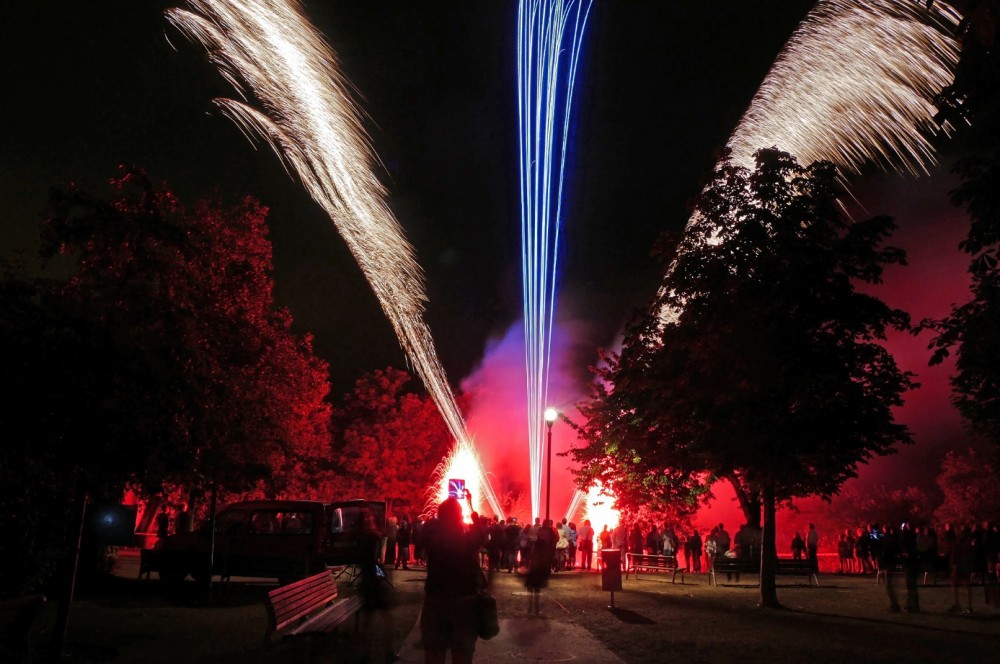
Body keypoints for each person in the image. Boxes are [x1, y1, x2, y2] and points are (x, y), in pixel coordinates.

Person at [420, 492, 487, 664]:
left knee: (434, 654)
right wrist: (471, 507)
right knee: (462, 654)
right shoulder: (465, 541)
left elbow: (425, 530)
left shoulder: (433, 539)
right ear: (459, 517)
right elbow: (481, 535)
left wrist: (436, 517)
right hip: (464, 603)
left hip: (435, 601)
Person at [526, 519, 557, 614]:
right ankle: (536, 608)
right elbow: (554, 539)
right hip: (538, 569)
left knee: (531, 589)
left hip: (534, 570)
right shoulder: (549, 532)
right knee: (537, 589)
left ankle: (530, 608)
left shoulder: (539, 536)